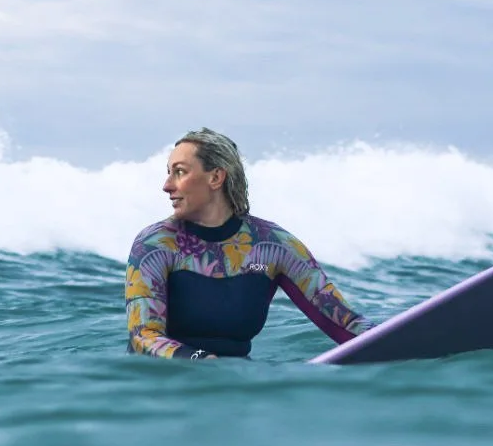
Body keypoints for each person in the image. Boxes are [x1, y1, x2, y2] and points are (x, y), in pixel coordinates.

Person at [125, 128, 371, 359]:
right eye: (169, 173)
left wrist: (396, 341)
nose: (167, 186)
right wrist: (200, 361)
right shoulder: (154, 245)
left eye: (179, 172)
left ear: (216, 177)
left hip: (238, 386)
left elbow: (342, 321)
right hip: (160, 389)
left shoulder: (272, 245)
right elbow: (143, 336)